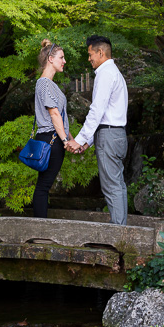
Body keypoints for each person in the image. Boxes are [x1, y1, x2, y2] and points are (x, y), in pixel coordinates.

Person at [66, 35, 129, 225]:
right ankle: (121, 229)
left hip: (109, 136)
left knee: (112, 187)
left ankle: (119, 234)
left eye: (90, 54)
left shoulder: (105, 73)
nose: (89, 59)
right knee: (117, 185)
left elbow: (97, 110)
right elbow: (105, 114)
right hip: (115, 134)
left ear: (100, 52)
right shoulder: (114, 73)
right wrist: (88, 141)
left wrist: (80, 139)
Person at [31, 39, 72, 218]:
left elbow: (61, 116)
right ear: (50, 59)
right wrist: (65, 141)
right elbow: (54, 114)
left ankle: (40, 229)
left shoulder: (51, 85)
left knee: (44, 185)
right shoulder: (44, 83)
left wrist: (71, 140)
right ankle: (39, 231)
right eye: (61, 57)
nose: (64, 61)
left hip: (54, 138)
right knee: (43, 187)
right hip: (51, 138)